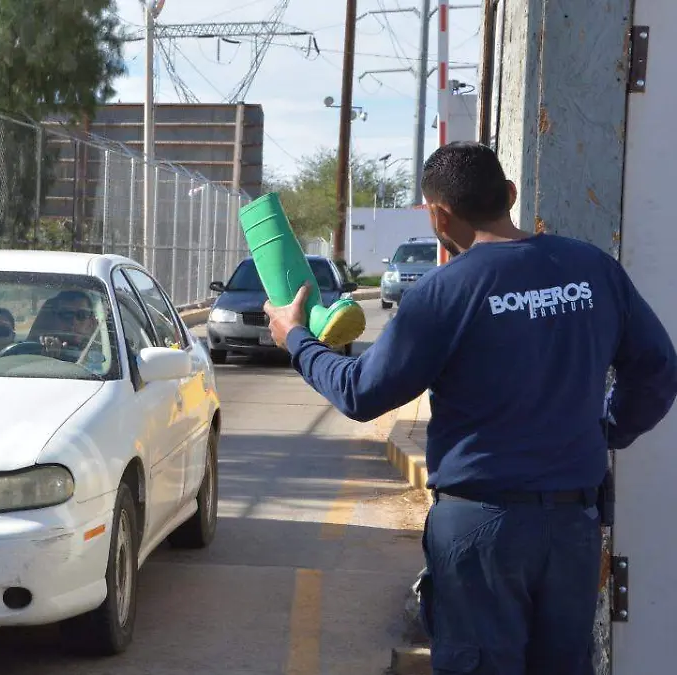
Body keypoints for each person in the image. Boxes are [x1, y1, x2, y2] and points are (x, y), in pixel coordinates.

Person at [263, 141, 677, 674]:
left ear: (437, 215)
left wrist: (297, 340)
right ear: (508, 194)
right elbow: (658, 370)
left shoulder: (443, 292)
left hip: (482, 530)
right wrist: (608, 431)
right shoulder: (592, 270)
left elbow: (362, 393)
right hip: (575, 525)